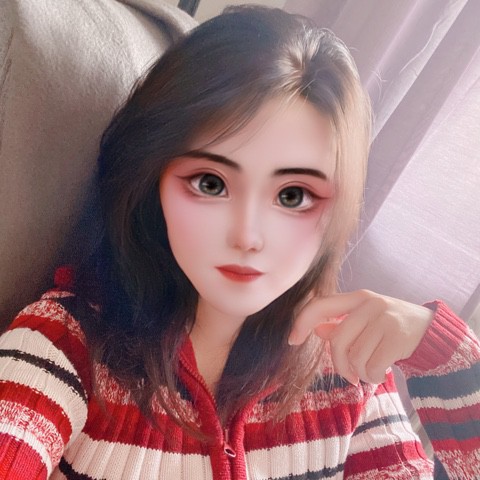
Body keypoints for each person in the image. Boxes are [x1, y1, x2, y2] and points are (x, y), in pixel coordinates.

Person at [0, 5, 479, 479]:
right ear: (153, 179)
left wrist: (444, 357)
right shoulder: (67, 344)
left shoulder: (348, 370)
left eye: (293, 196)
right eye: (210, 184)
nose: (248, 236)